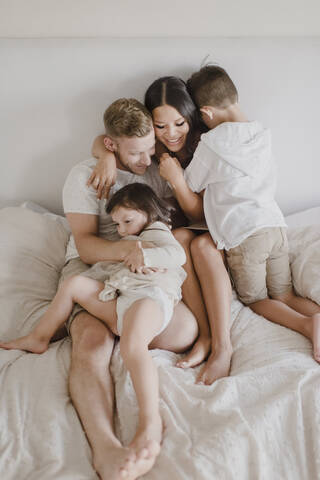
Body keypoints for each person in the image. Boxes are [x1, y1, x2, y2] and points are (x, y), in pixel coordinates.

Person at [9, 98, 198, 480]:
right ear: (113, 146)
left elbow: (180, 231)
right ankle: (106, 449)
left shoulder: (156, 168)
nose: (146, 160)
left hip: (143, 273)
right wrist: (130, 249)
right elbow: (86, 246)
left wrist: (143, 254)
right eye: (135, 152)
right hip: (95, 268)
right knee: (92, 345)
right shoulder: (86, 175)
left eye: (150, 148)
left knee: (181, 330)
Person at [183, 64, 320, 362]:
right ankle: (318, 316)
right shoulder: (261, 133)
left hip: (245, 236)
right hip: (275, 226)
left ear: (205, 114)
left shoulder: (212, 144)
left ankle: (308, 325)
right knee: (285, 295)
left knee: (256, 300)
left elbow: (190, 183)